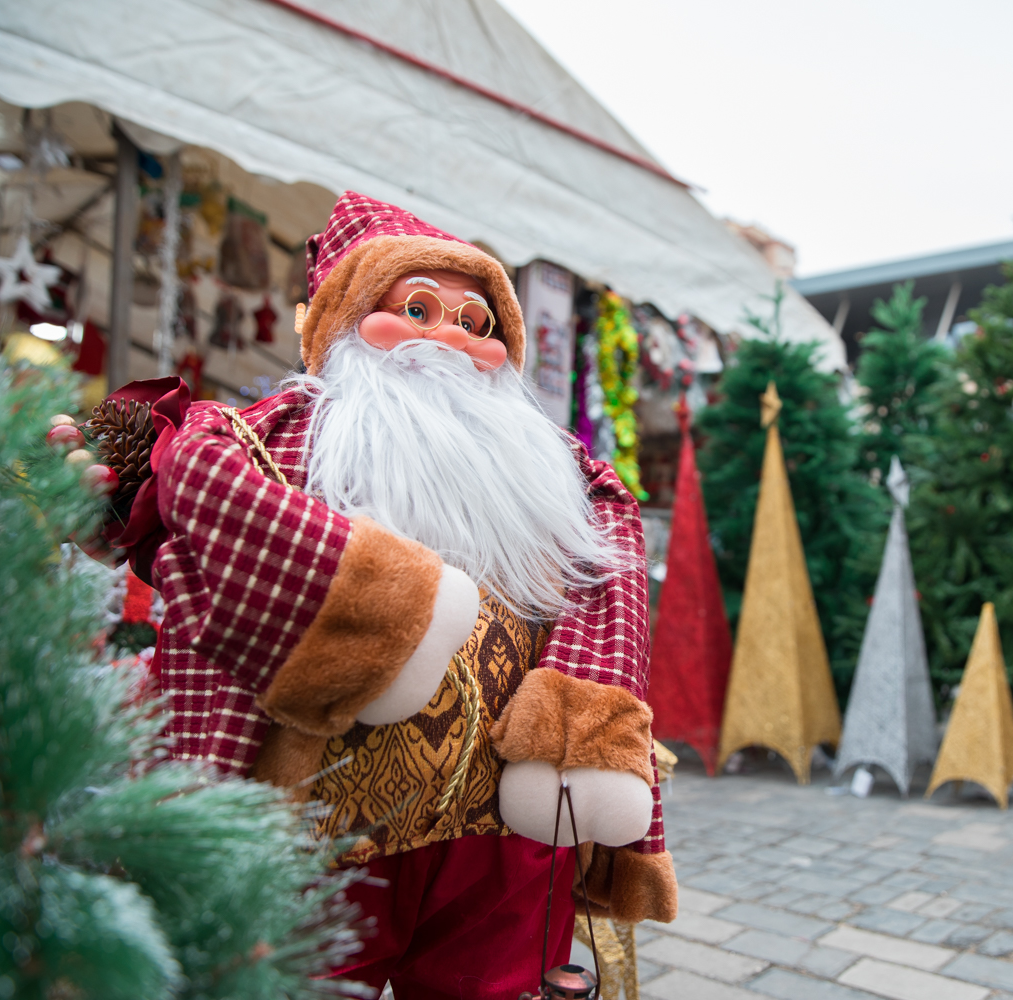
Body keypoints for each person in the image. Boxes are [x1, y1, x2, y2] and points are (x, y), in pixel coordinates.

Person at [81, 193, 675, 1000]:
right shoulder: (267, 439)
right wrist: (104, 478)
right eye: (418, 309)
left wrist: (584, 739)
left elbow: (603, 607)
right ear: (347, 322)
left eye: (478, 323)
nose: (450, 340)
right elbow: (188, 507)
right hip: (315, 821)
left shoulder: (567, 480)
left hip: (502, 833)